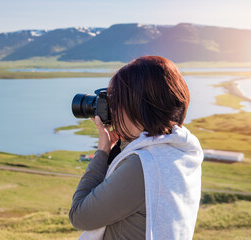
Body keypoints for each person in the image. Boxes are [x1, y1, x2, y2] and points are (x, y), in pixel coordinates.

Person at [69, 56, 203, 240]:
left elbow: (80, 216)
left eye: (117, 101)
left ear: (137, 107)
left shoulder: (142, 165)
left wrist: (102, 151)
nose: (113, 110)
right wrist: (123, 140)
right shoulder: (181, 149)